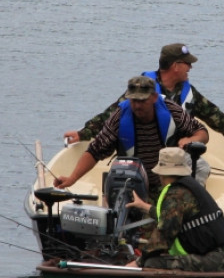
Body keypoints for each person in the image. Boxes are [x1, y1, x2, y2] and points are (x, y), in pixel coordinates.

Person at [64, 43, 224, 184]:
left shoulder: (187, 95)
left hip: (174, 156)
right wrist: (83, 133)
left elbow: (214, 116)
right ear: (175, 66)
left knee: (201, 168)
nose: (191, 67)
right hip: (138, 158)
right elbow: (110, 115)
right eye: (187, 63)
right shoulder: (141, 89)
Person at [53, 76, 209, 201]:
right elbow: (95, 151)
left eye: (142, 101)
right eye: (134, 100)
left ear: (154, 97)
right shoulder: (119, 117)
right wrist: (72, 179)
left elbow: (202, 132)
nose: (137, 106)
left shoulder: (172, 111)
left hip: (168, 180)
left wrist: (190, 140)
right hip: (133, 182)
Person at [125, 147, 224, 272]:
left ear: (161, 174)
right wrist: (142, 205)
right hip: (223, 257)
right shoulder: (188, 186)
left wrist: (138, 262)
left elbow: (163, 235)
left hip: (219, 260)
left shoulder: (177, 194)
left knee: (152, 262)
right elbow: (168, 216)